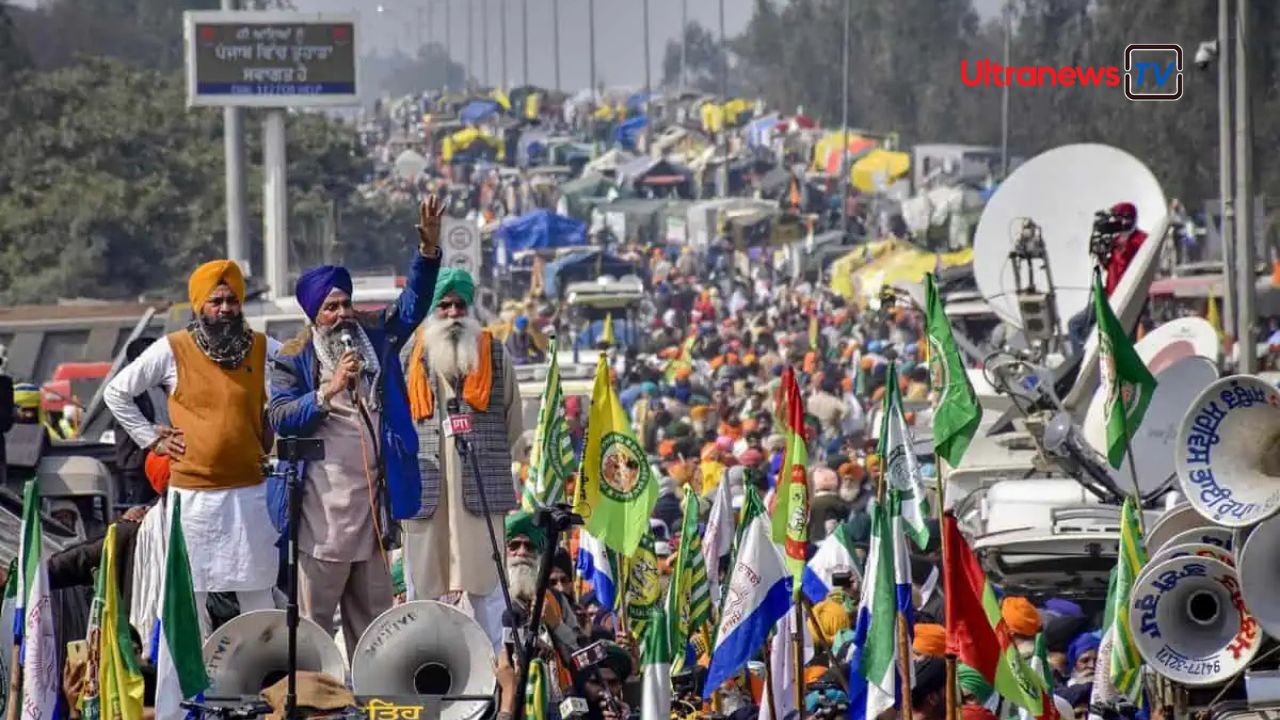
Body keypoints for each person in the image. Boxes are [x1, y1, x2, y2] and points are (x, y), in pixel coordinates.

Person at [268, 196, 444, 657]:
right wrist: (327, 391)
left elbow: (413, 304)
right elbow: (280, 417)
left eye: (346, 303)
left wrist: (428, 253)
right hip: (322, 518)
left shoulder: (377, 337)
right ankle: (319, 692)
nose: (342, 314)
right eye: (331, 307)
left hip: (374, 514)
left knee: (376, 631)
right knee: (314, 630)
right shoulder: (293, 359)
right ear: (313, 314)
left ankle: (373, 693)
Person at [104, 258, 278, 633]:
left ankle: (263, 666)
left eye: (232, 300)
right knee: (191, 595)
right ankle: (193, 671)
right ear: (199, 305)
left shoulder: (262, 348)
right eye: (216, 301)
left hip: (249, 493)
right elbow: (116, 393)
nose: (225, 308)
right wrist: (151, 438)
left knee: (258, 592)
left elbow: (301, 373)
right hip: (194, 498)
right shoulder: (173, 349)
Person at [399, 266, 523, 645]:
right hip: (426, 488)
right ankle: (427, 660)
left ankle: (497, 665)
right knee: (424, 585)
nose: (453, 313)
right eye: (445, 305)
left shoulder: (494, 353)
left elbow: (513, 421)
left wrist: (490, 456)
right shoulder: (409, 355)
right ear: (433, 309)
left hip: (481, 488)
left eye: (459, 305)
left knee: (488, 587)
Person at [1068, 202, 1148, 354]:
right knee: (1075, 325)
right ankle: (1081, 360)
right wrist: (1101, 254)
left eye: (1120, 219)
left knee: (1124, 338)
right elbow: (1111, 267)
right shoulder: (1116, 240)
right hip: (1109, 295)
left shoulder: (1140, 239)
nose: (1118, 224)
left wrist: (1120, 244)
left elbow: (1131, 259)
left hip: (1128, 298)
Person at [114, 337, 169, 505]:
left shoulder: (164, 386)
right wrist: (154, 429)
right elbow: (127, 422)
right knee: (136, 508)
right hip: (138, 462)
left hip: (164, 459)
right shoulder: (127, 390)